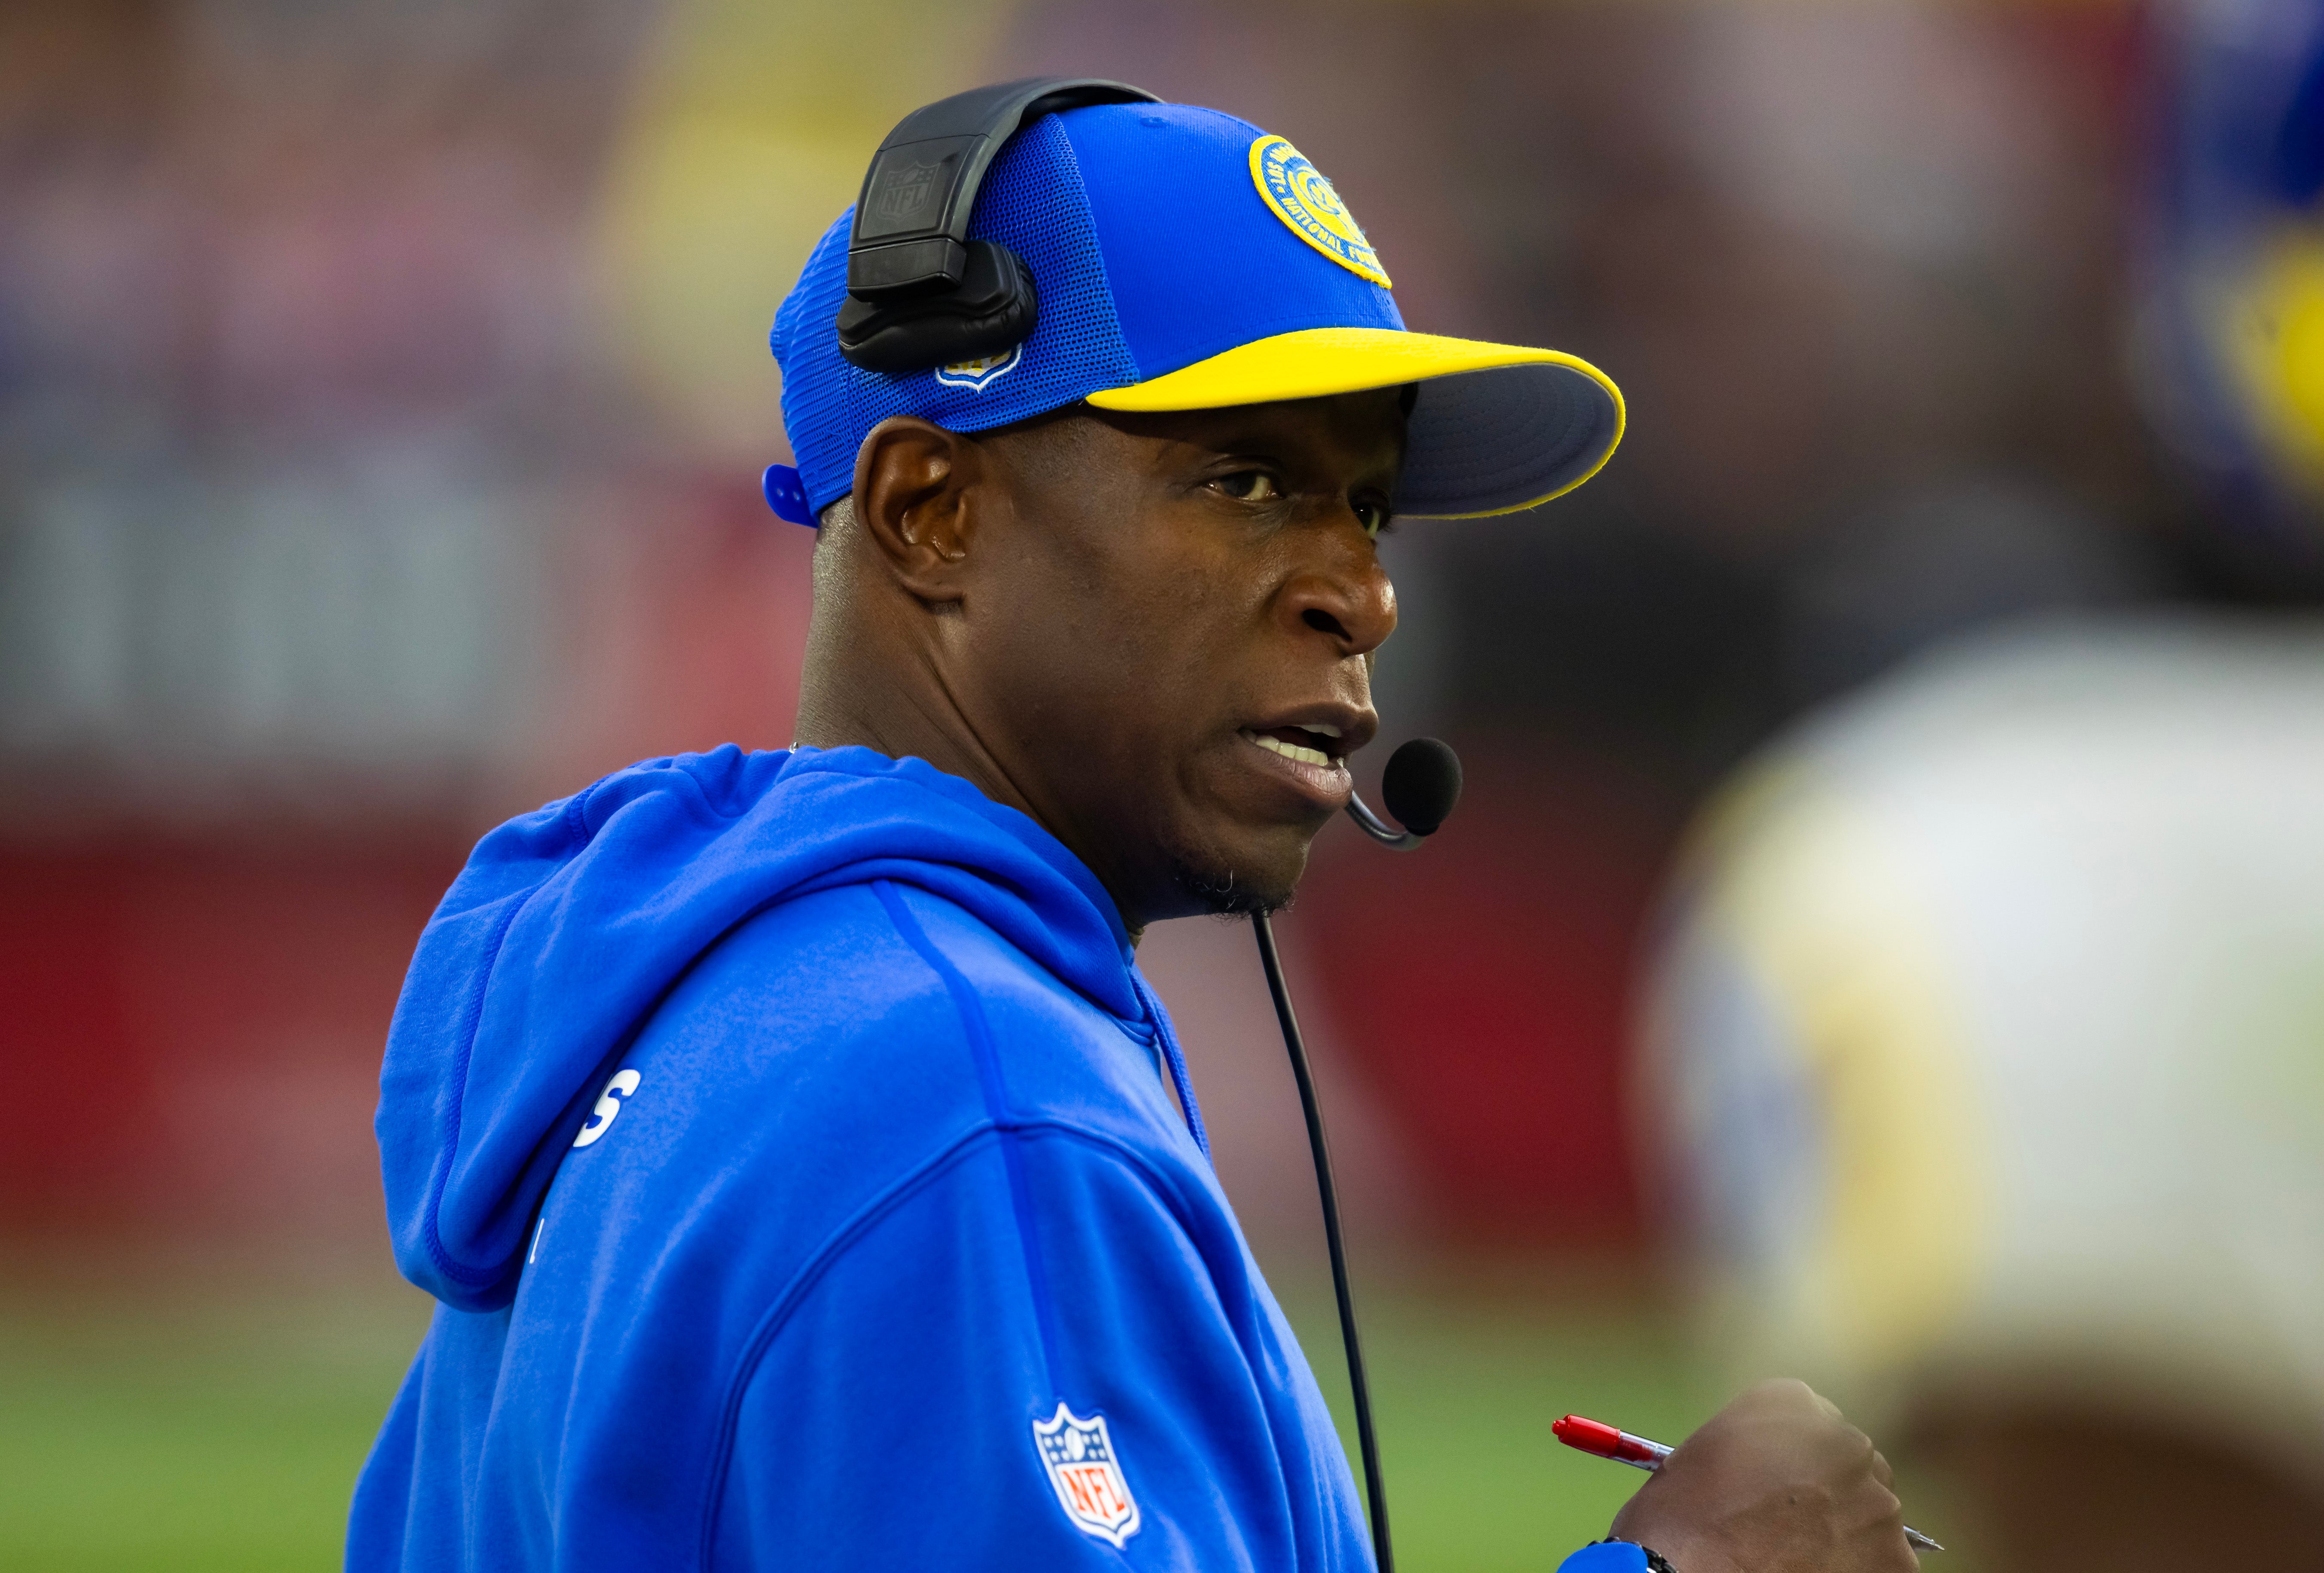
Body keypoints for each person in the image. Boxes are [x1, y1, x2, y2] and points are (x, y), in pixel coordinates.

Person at [348, 85, 1915, 1571]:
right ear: (927, 514)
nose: (1358, 591)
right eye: (1243, 481)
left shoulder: (731, 989)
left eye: (1362, 506)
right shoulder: (961, 1094)